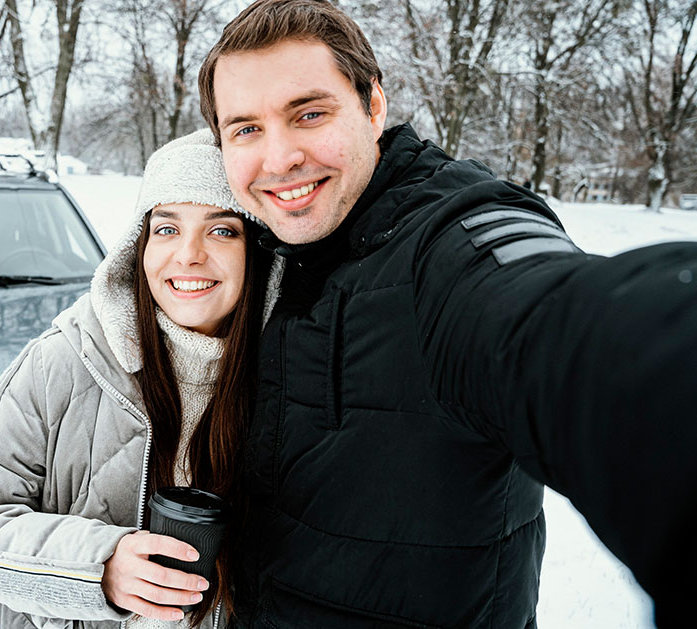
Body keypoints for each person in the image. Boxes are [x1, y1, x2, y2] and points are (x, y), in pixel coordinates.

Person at [196, 0, 697, 627]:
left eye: (310, 113)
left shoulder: (450, 242)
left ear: (373, 106)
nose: (279, 158)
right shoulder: (259, 257)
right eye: (246, 129)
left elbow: (563, 327)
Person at [0, 129, 281, 629]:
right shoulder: (65, 360)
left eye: (221, 230)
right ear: (137, 246)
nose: (187, 254)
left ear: (257, 252)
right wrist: (99, 570)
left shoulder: (292, 380)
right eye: (166, 228)